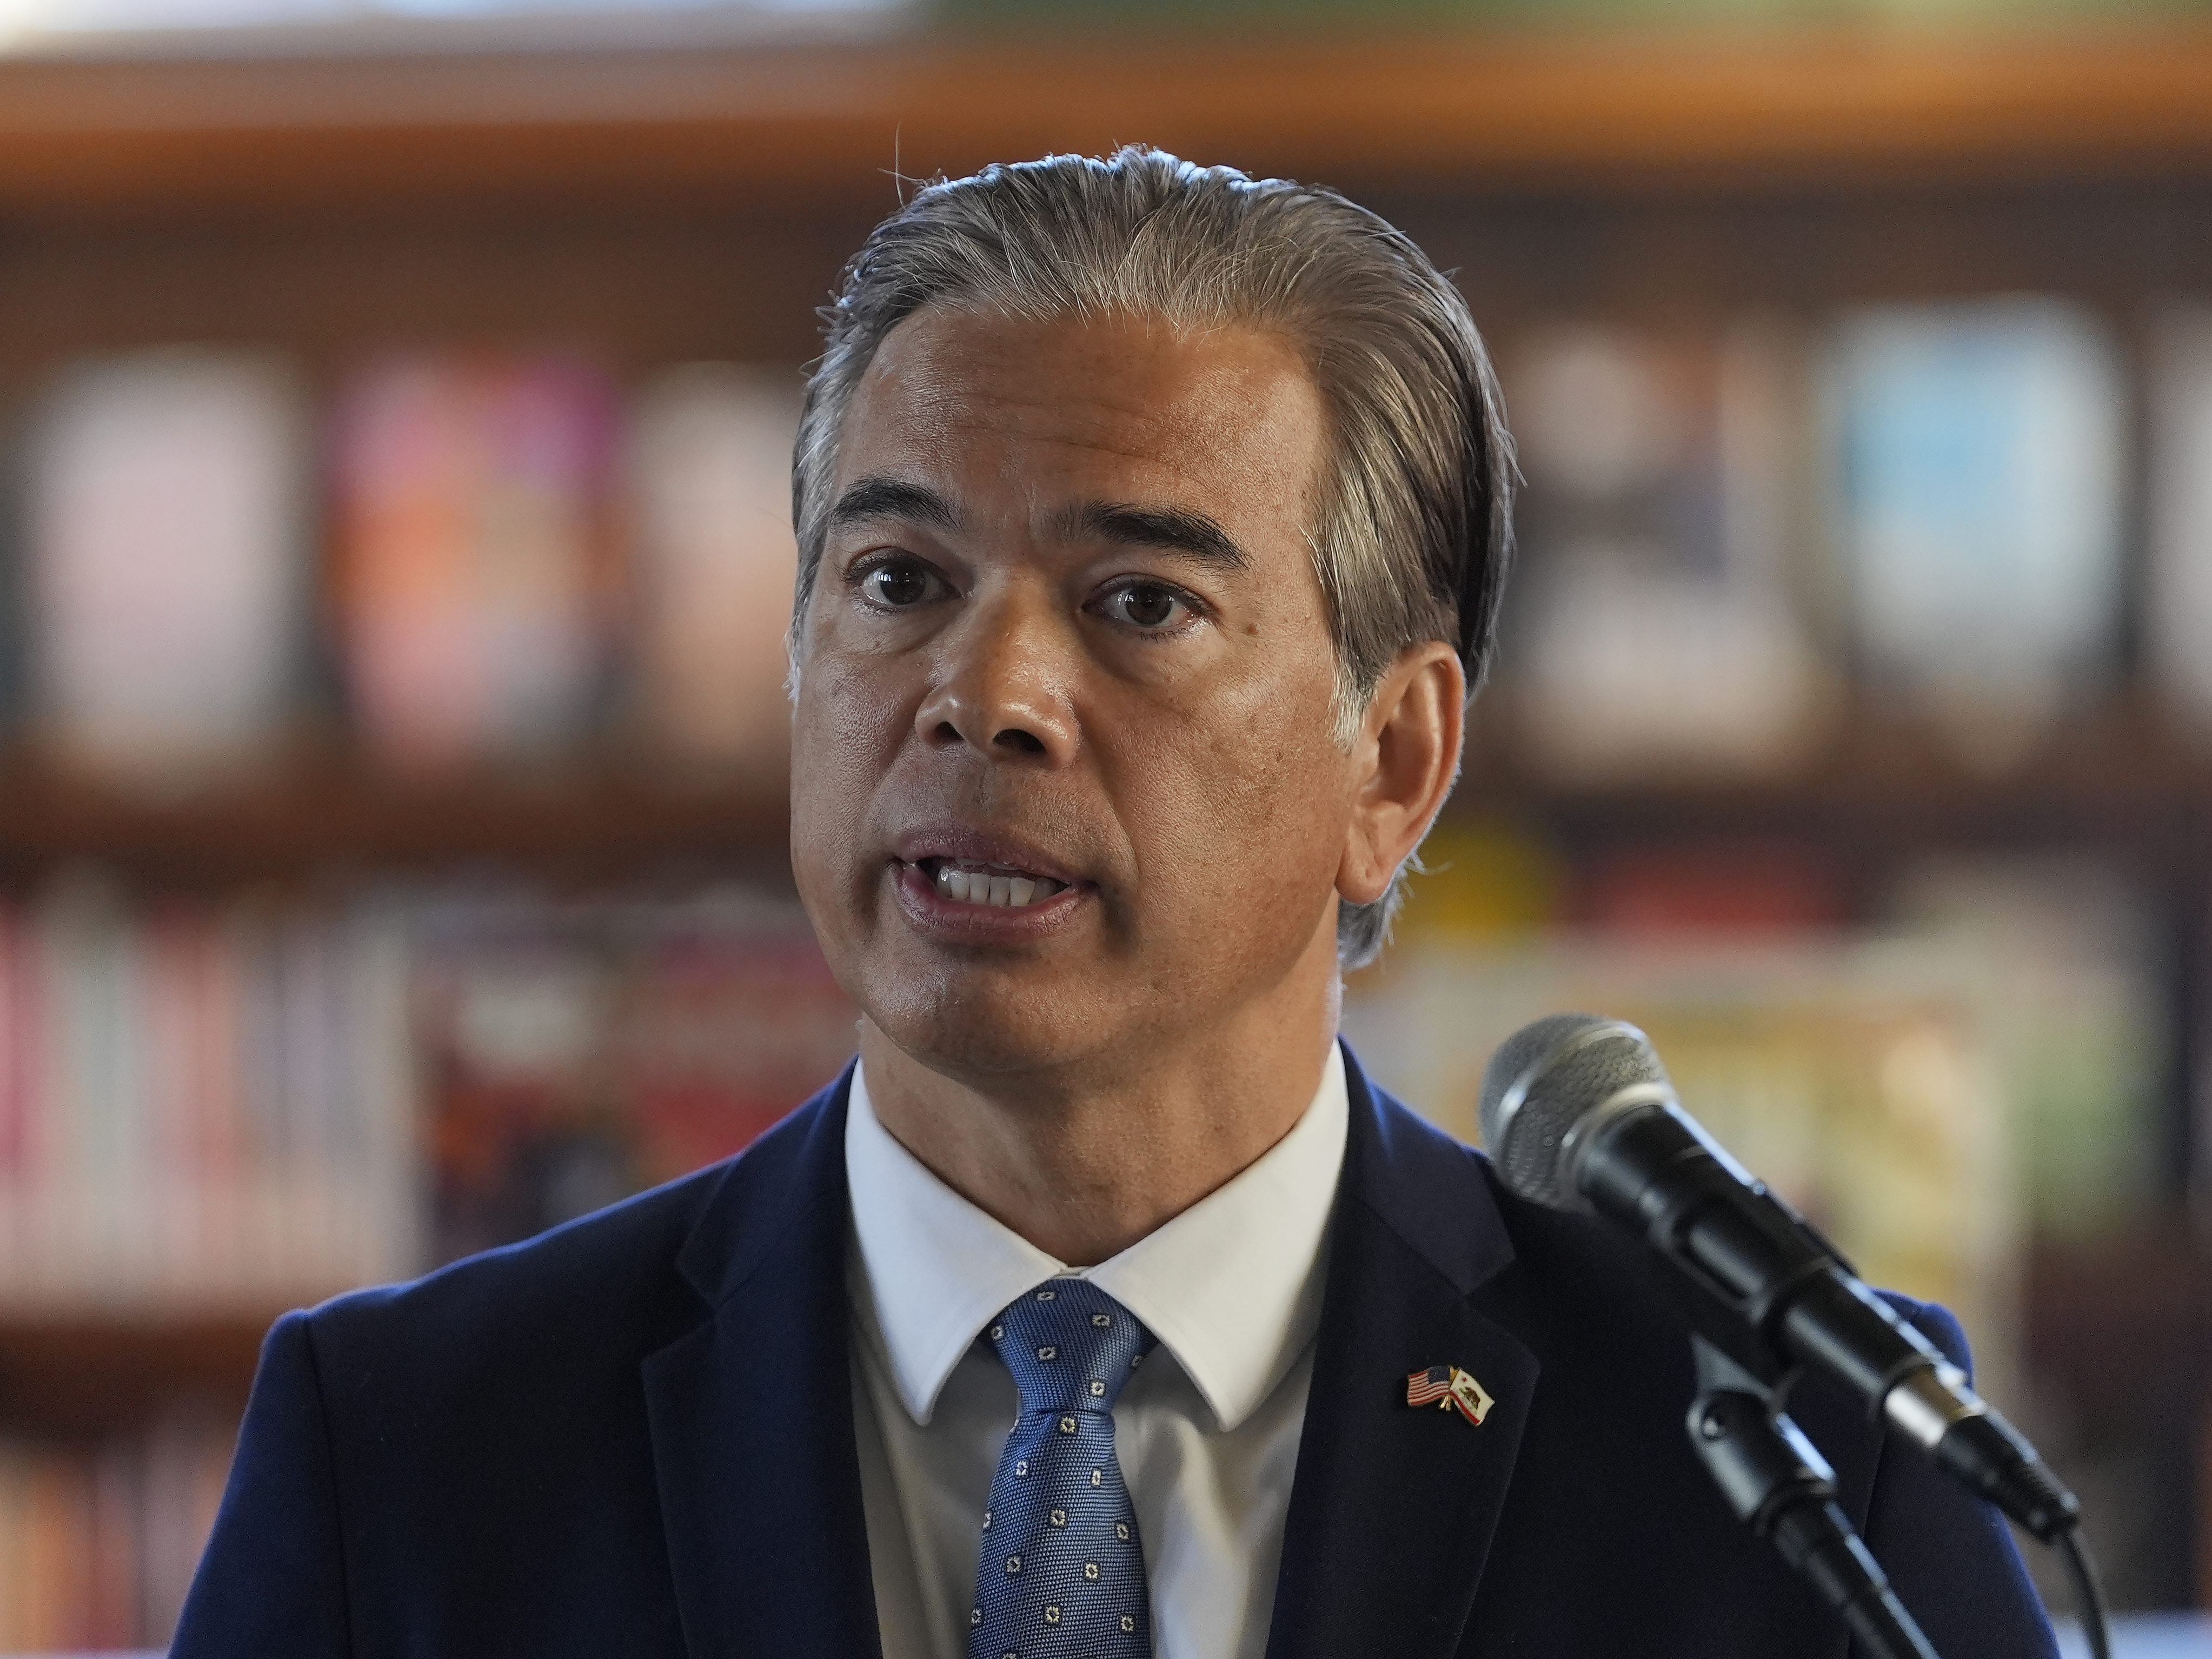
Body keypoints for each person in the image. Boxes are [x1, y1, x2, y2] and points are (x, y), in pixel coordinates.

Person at [174, 148, 2057, 1659]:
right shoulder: (412, 1450)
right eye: (896, 576)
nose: (980, 692)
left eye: (1138, 603)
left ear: (1391, 764)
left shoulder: (1785, 1468)